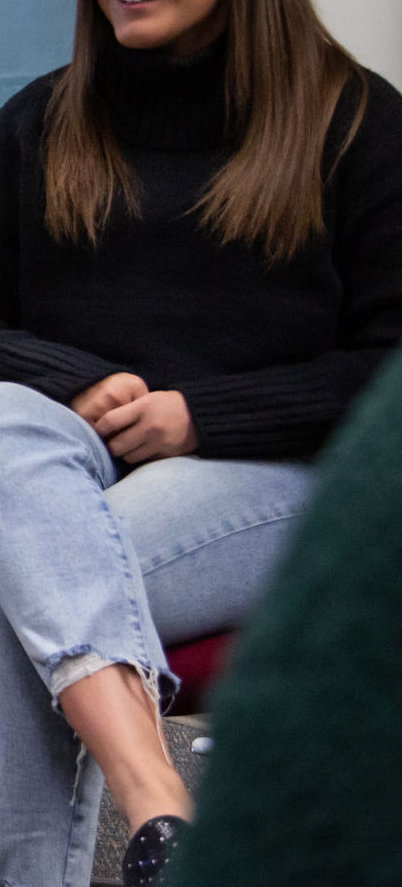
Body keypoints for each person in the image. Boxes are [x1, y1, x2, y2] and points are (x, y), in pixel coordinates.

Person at [0, 0, 402, 887]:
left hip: (266, 482)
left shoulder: (354, 120)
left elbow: (391, 368)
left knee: (9, 599)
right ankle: (163, 807)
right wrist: (75, 384)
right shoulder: (39, 122)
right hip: (42, 470)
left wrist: (201, 415)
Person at [160, 350, 402, 887]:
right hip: (79, 441)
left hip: (278, 462)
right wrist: (85, 385)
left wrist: (202, 412)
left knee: (21, 588)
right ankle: (152, 802)